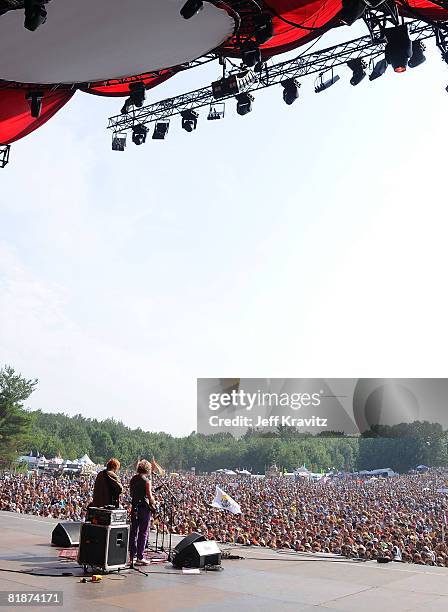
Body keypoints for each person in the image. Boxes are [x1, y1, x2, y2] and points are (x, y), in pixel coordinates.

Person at [129, 460, 156, 566]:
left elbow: (132, 493)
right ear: (148, 469)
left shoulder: (133, 479)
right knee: (143, 532)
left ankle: (132, 555)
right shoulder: (147, 481)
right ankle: (140, 556)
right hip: (144, 509)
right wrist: (153, 501)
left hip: (134, 507)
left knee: (133, 532)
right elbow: (149, 496)